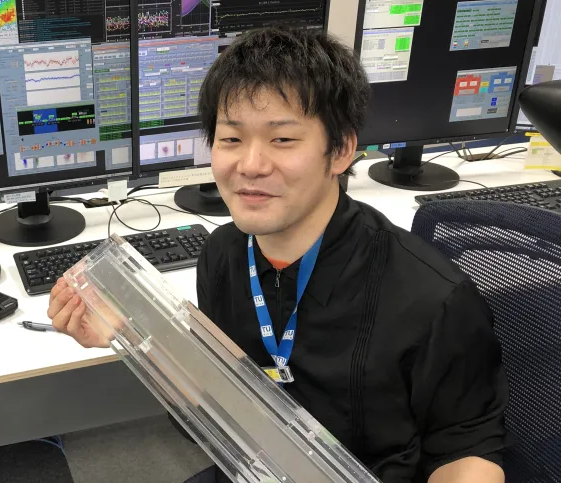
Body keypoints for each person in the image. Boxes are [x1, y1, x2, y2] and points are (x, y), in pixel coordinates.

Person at [47, 26, 509, 483]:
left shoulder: (432, 300)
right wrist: (133, 338)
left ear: (341, 150)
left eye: (282, 139)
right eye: (231, 139)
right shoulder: (223, 254)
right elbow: (217, 393)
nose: (249, 165)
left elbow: (467, 453)